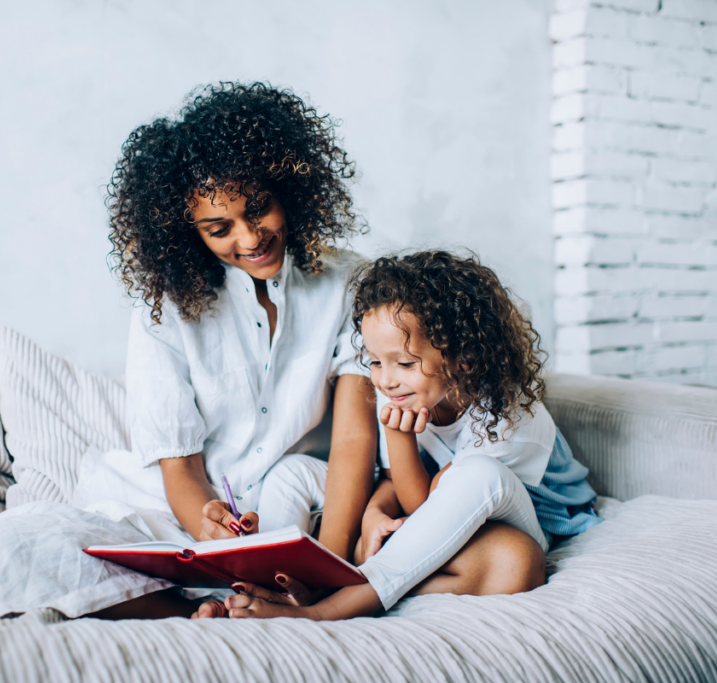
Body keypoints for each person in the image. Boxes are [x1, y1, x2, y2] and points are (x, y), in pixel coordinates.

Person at [102, 85, 548, 619]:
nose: (250, 237)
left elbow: (355, 439)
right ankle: (233, 596)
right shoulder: (163, 314)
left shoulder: (347, 285)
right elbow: (180, 470)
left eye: (259, 209)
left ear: (286, 188)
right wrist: (211, 526)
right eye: (220, 229)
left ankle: (287, 600)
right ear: (184, 234)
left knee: (512, 560)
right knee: (60, 563)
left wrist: (324, 568)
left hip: (320, 516)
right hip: (190, 518)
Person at [223, 250, 602, 620]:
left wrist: (397, 440)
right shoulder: (403, 388)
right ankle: (273, 586)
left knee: (510, 552)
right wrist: (375, 511)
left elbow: (427, 506)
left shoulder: (509, 417)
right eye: (374, 361)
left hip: (529, 519)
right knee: (292, 471)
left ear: (463, 358)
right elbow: (397, 486)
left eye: (405, 362)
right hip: (439, 509)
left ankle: (335, 602)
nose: (386, 379)